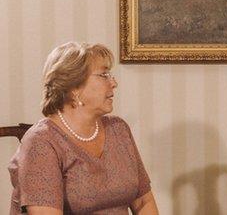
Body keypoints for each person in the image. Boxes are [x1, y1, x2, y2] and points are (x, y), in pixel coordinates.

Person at [8, 42, 159, 214]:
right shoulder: (41, 141)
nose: (114, 82)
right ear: (74, 88)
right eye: (104, 75)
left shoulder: (118, 129)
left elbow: (143, 201)